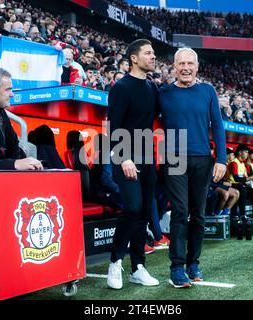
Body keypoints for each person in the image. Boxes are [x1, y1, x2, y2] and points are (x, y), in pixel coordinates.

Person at [159, 48, 226, 288]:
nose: (185, 68)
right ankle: (176, 267)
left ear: (197, 67)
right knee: (179, 210)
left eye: (190, 63)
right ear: (173, 66)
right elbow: (146, 120)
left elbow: (217, 126)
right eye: (181, 64)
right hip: (174, 158)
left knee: (198, 214)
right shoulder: (163, 92)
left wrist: (222, 159)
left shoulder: (208, 91)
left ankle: (193, 263)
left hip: (202, 160)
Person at [106, 39, 160, 290]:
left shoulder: (152, 87)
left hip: (148, 157)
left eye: (154, 53)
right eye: (148, 53)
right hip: (125, 157)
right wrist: (124, 156)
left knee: (144, 213)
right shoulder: (120, 87)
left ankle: (138, 267)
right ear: (134, 58)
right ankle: (115, 262)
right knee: (132, 207)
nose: (153, 56)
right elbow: (114, 126)